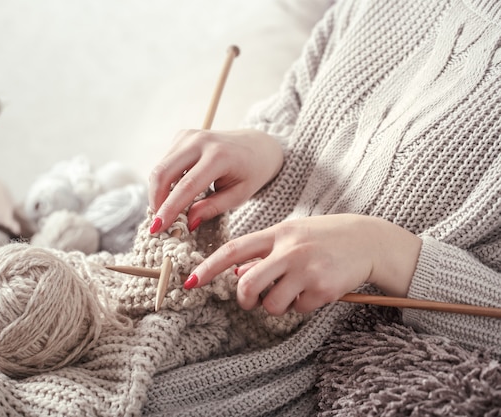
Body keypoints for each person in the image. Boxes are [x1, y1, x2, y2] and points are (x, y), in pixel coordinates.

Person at [147, 0, 501, 357]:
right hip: (192, 307)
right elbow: (295, 109)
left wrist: (382, 251)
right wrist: (262, 146)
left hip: (329, 368)